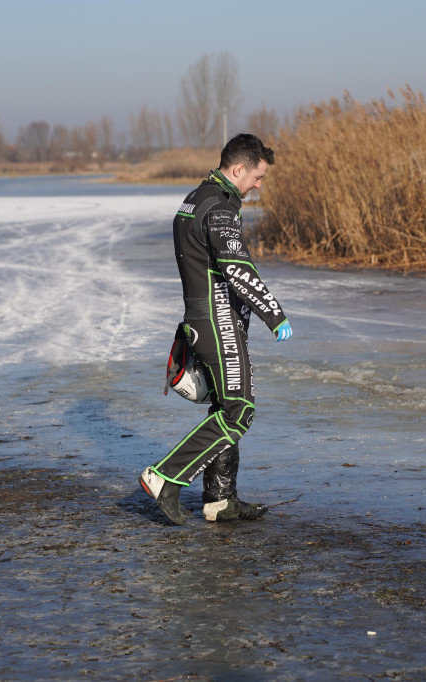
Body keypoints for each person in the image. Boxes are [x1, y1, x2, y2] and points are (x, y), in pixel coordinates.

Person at [140, 134, 293, 526]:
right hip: (215, 321)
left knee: (225, 406)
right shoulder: (219, 208)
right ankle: (164, 477)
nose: (260, 184)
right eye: (257, 176)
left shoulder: (196, 198)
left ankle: (220, 499)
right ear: (238, 168)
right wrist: (273, 315)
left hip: (204, 318)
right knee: (239, 410)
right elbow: (236, 267)